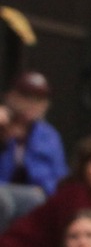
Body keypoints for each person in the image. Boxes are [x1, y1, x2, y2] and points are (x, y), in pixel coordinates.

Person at [0, 72, 63, 226]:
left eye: (39, 99)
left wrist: (44, 189)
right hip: (2, 191)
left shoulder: (48, 135)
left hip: (34, 195)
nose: (32, 104)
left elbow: (60, 176)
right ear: (11, 97)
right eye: (26, 97)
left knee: (36, 200)